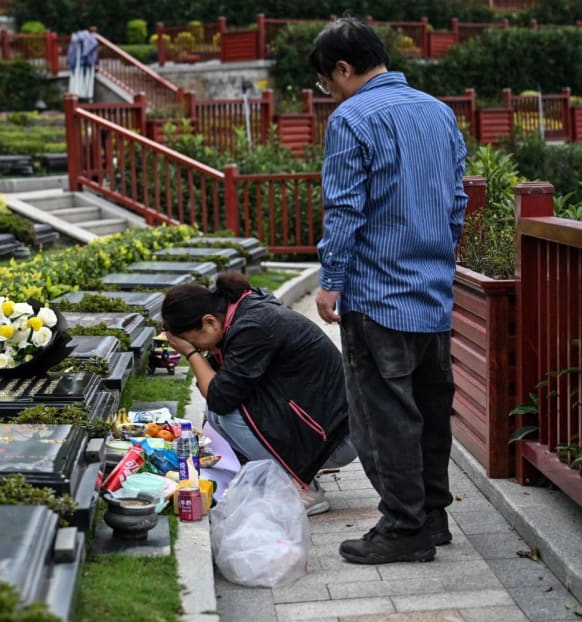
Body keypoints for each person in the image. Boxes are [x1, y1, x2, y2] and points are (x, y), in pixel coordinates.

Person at [309, 16, 468, 564]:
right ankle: (432, 517)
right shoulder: (439, 111)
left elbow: (346, 208)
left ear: (344, 69)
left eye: (326, 82)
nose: (328, 93)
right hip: (432, 294)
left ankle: (403, 528)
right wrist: (438, 265)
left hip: (378, 296)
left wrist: (331, 282)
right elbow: (456, 203)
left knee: (384, 416)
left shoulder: (351, 118)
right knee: (429, 406)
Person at [161, 270, 356, 516]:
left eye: (194, 341)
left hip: (337, 441)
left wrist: (191, 354)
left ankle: (303, 490)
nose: (198, 348)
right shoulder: (241, 314)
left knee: (226, 413)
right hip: (321, 428)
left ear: (210, 322)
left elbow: (220, 398)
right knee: (219, 413)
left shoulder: (252, 327)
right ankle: (284, 476)